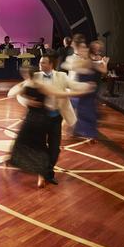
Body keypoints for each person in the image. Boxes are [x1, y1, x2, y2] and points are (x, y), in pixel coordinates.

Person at [34, 55, 92, 184]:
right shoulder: (36, 77)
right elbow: (23, 90)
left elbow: (73, 85)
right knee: (41, 148)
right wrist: (26, 100)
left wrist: (86, 87)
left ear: (51, 65)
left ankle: (48, 172)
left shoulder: (61, 76)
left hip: (56, 118)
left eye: (43, 63)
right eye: (40, 63)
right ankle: (42, 174)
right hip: (41, 118)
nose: (40, 65)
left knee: (55, 149)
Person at [71, 40, 109, 140]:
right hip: (84, 84)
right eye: (96, 47)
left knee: (90, 107)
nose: (98, 49)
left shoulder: (97, 58)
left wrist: (104, 63)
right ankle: (81, 130)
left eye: (99, 47)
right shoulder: (84, 58)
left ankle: (85, 130)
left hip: (94, 84)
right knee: (84, 107)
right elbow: (76, 69)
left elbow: (104, 71)